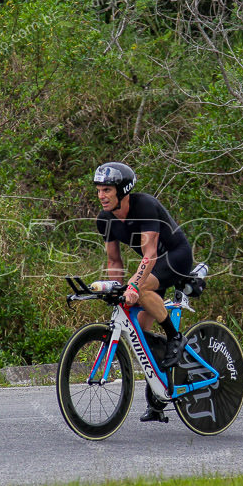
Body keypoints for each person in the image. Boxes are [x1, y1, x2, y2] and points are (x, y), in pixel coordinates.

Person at [93, 162, 193, 423]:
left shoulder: (144, 206)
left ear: (122, 190)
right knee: (142, 336)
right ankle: (159, 396)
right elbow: (115, 262)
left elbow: (150, 254)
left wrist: (134, 285)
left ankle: (175, 336)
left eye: (107, 190)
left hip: (175, 257)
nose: (101, 195)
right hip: (152, 265)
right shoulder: (105, 220)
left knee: (142, 288)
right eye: (98, 190)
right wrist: (117, 292)